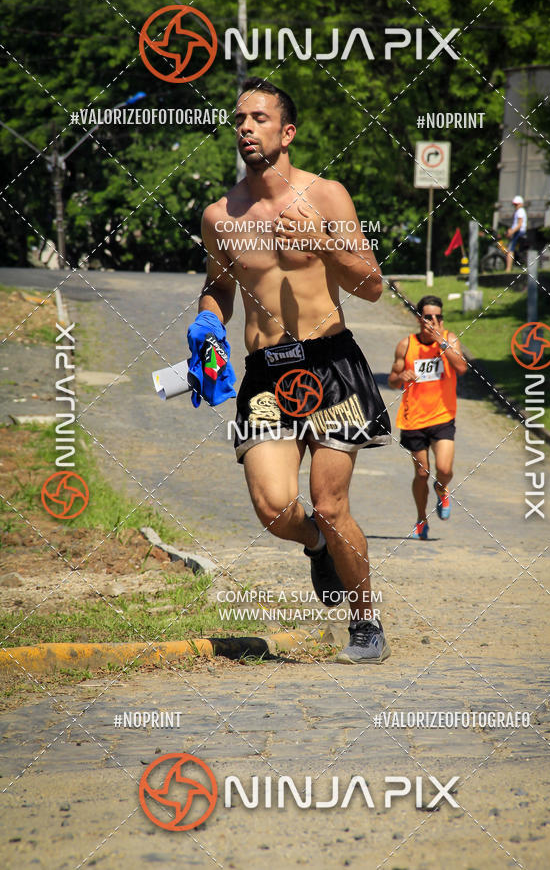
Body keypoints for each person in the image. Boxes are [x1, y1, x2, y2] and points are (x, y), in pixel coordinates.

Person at [196, 77, 392, 663]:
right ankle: (317, 546)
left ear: (287, 132)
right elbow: (218, 287)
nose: (246, 128)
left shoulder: (326, 196)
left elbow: (374, 286)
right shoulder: (219, 214)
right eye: (239, 120)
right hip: (264, 374)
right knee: (276, 508)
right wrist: (207, 326)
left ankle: (366, 622)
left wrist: (324, 246)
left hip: (329, 364)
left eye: (258, 118)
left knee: (330, 504)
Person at [388, 295, 467, 540]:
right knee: (422, 473)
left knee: (444, 469)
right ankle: (421, 519)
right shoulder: (406, 345)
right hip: (414, 419)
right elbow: (391, 379)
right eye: (428, 316)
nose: (434, 321)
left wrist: (442, 344)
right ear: (419, 318)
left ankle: (442, 489)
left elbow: (462, 368)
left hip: (443, 416)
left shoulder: (450, 339)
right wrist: (402, 377)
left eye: (438, 317)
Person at [505, 195, 527, 272]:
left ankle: (508, 269)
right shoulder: (519, 211)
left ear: (521, 204)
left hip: (518, 231)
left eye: (517, 204)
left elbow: (519, 224)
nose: (515, 206)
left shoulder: (520, 211)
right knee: (514, 250)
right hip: (517, 231)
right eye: (514, 204)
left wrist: (512, 231)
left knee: (510, 250)